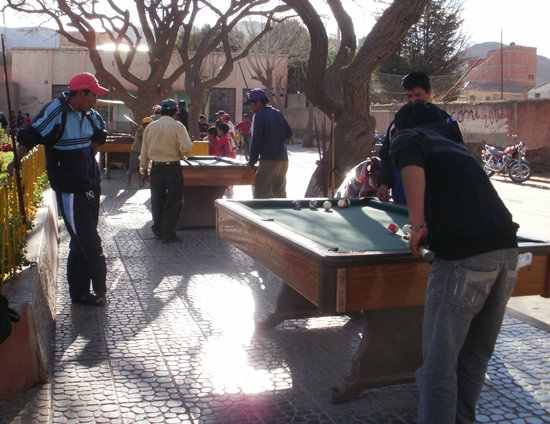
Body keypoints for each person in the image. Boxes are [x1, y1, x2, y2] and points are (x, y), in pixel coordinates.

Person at [390, 100, 519, 424]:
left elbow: (410, 162)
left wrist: (417, 225)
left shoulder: (411, 137)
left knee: (436, 368)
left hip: (464, 257)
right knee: (474, 355)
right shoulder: (455, 145)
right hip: (508, 252)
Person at [8, 72, 109, 307]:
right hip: (70, 191)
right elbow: (31, 134)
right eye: (92, 95)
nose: (95, 101)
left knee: (80, 241)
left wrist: (90, 156)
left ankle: (80, 293)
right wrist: (17, 158)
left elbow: (100, 133)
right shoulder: (56, 111)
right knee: (89, 242)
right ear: (81, 92)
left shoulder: (90, 114)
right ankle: (101, 289)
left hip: (91, 186)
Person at [377, 71, 463, 204]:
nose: (413, 100)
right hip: (402, 197)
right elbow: (387, 157)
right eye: (409, 95)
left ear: (429, 92)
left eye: (418, 95)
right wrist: (384, 183)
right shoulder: (397, 124)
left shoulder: (447, 122)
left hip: (437, 198)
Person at [140, 99, 192, 243]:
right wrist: (182, 154)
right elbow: (187, 146)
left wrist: (143, 169)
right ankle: (168, 233)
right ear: (175, 112)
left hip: (156, 168)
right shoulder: (178, 126)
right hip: (173, 167)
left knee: (157, 200)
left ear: (161, 111)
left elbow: (144, 150)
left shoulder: (150, 127)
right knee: (172, 201)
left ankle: (158, 230)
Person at [244, 88, 292, 199]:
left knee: (260, 195)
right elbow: (289, 133)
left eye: (250, 104)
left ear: (258, 102)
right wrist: (276, 139)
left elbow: (256, 141)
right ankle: (281, 216)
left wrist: (251, 162)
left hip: (268, 161)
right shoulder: (277, 113)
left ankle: (260, 217)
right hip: (283, 160)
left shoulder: (259, 116)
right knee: (280, 194)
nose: (249, 107)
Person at [127, 116, 153, 188]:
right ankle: (129, 182)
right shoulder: (140, 130)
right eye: (147, 124)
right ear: (145, 124)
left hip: (142, 152)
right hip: (135, 151)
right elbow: (138, 135)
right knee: (132, 167)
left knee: (141, 168)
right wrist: (143, 131)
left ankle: (141, 182)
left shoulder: (149, 131)